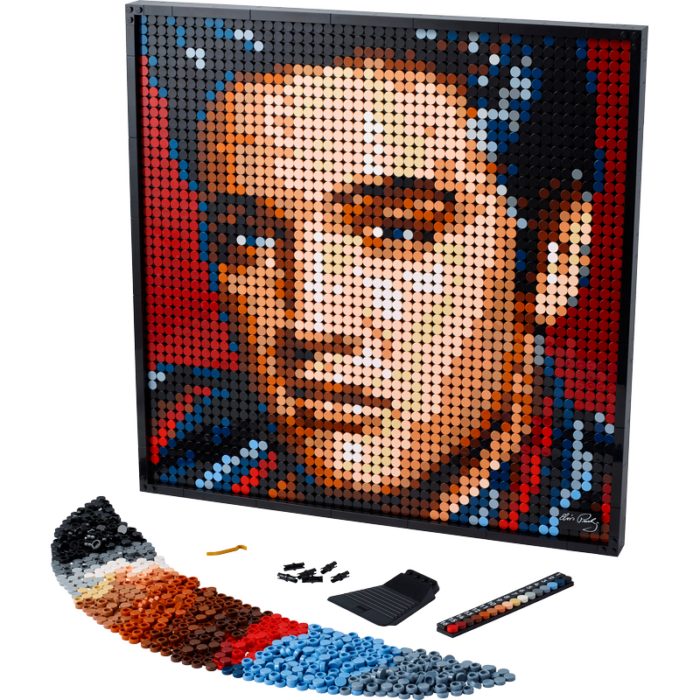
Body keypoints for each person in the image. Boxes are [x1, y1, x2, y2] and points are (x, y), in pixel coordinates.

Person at [190, 54, 592, 524]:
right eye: (247, 238)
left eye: (397, 229)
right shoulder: (187, 458)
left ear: (553, 259)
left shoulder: (599, 513)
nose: (310, 320)